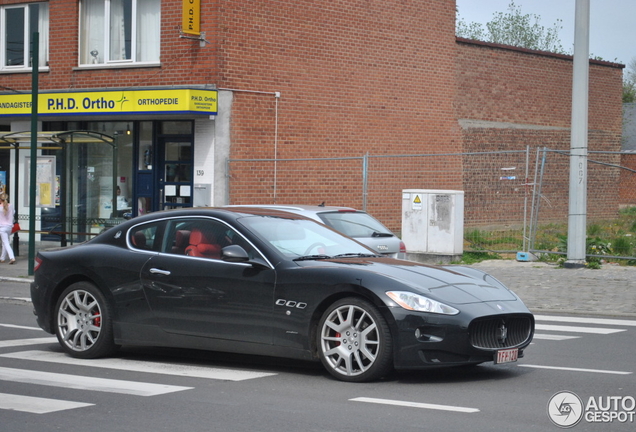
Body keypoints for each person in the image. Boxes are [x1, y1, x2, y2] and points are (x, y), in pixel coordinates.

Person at [0, 192, 16, 264]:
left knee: (6, 243)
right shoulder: (11, 206)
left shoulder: (0, 207)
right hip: (9, 227)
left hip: (2, 227)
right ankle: (2, 258)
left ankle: (12, 257)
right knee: (5, 242)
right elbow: (13, 213)